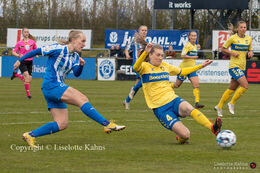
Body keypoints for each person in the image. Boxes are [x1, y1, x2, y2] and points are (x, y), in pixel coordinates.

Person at [13, 30, 126, 148]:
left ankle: (30, 135)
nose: (84, 44)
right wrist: (19, 60)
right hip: (52, 85)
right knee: (82, 99)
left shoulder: (76, 56)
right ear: (73, 40)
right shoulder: (58, 49)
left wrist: (81, 66)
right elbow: (36, 51)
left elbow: (76, 73)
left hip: (52, 88)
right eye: (82, 41)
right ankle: (107, 124)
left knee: (62, 124)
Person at [133, 42, 222, 144]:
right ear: (150, 55)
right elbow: (135, 67)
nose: (161, 57)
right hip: (160, 108)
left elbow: (182, 71)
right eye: (158, 55)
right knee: (186, 135)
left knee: (189, 108)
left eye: (162, 55)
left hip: (173, 99)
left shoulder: (165, 66)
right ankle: (180, 138)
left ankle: (213, 128)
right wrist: (144, 52)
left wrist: (200, 66)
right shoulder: (144, 67)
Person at [215, 21, 253, 117]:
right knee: (245, 85)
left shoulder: (249, 39)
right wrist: (232, 53)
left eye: (245, 27)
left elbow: (250, 50)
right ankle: (231, 103)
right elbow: (223, 48)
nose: (243, 29)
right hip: (234, 66)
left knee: (231, 89)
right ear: (237, 28)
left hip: (242, 66)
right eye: (241, 27)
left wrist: (250, 53)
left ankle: (219, 106)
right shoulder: (232, 38)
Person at [174, 31, 205, 109]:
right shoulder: (187, 45)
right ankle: (166, 85)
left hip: (192, 69)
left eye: (195, 36)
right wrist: (193, 57)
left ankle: (197, 103)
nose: (194, 37)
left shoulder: (195, 46)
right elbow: (182, 55)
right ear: (189, 37)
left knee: (196, 85)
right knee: (176, 85)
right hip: (184, 69)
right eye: (192, 36)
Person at [123, 25, 148, 109]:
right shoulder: (134, 40)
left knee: (139, 84)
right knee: (144, 81)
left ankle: (127, 100)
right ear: (139, 31)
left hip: (145, 64)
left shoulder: (147, 41)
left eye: (145, 30)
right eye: (142, 30)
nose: (144, 32)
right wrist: (127, 55)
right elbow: (127, 49)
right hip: (137, 65)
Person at [11, 28, 38, 99]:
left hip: (30, 62)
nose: (26, 33)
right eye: (25, 32)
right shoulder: (19, 43)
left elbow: (35, 49)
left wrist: (36, 54)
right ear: (22, 33)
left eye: (27, 32)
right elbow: (13, 52)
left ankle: (16, 75)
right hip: (22, 61)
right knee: (26, 76)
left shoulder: (32, 42)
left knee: (28, 79)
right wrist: (18, 55)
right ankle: (28, 95)